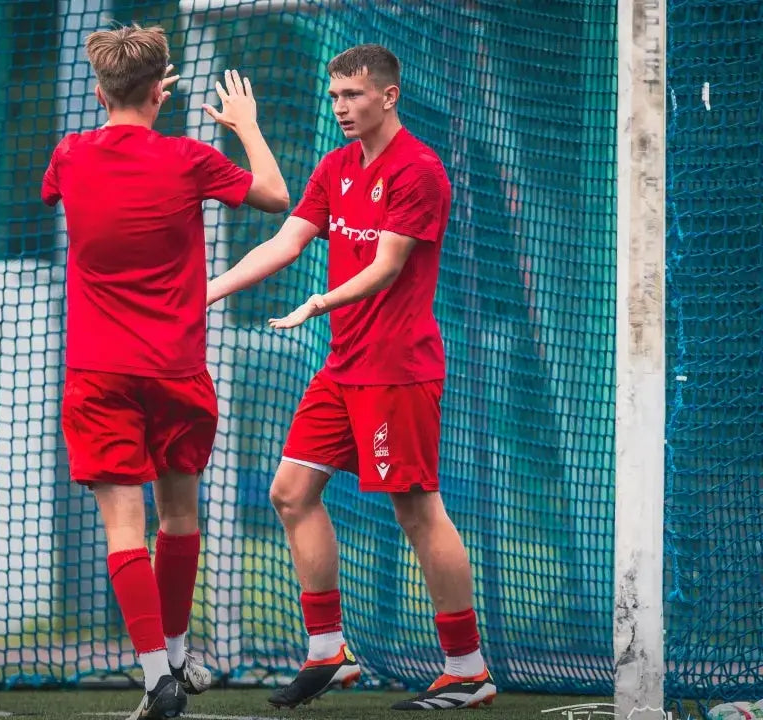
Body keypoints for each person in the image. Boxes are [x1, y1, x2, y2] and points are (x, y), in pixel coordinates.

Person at [206, 43, 498, 711]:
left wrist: (319, 302)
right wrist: (206, 292)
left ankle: (467, 668)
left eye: (353, 95)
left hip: (397, 371)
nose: (340, 107)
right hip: (343, 368)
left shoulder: (420, 170)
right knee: (290, 493)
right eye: (334, 95)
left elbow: (387, 267)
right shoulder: (335, 166)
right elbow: (286, 240)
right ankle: (327, 653)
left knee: (417, 509)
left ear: (388, 97)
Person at [41, 23, 290, 720]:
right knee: (178, 517)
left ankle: (159, 676)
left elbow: (65, 184)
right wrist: (243, 124)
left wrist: (134, 99)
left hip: (101, 376)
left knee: (124, 526)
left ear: (97, 92)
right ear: (162, 91)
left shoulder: (69, 155)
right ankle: (177, 656)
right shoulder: (188, 158)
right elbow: (276, 195)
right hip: (176, 372)